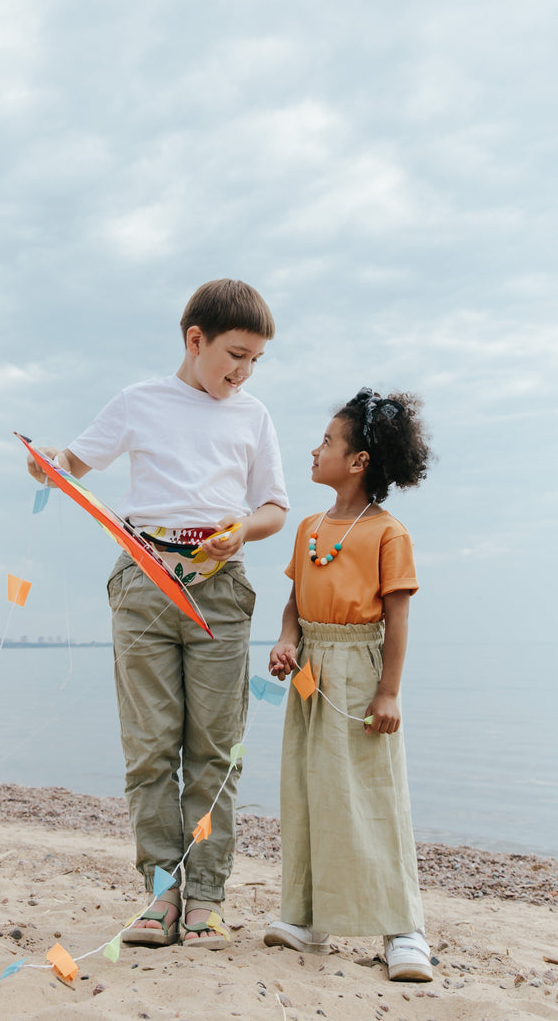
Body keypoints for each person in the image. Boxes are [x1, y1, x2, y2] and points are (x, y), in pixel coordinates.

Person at [27, 279, 289, 949]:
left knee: (213, 751)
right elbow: (75, 462)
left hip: (221, 590)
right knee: (149, 750)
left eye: (256, 359)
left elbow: (273, 508)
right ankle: (159, 894)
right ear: (194, 339)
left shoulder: (254, 416)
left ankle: (205, 895)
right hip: (144, 584)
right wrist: (48, 465)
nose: (244, 370)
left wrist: (243, 531)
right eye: (235, 354)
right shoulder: (139, 402)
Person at [263, 387, 434, 982]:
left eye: (328, 442)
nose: (315, 450)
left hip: (361, 670)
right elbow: (293, 603)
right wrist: (287, 643)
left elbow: (397, 619)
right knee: (311, 789)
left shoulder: (388, 533)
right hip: (311, 669)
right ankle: (309, 916)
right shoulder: (310, 526)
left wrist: (389, 692)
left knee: (372, 795)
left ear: (358, 461)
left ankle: (403, 929)